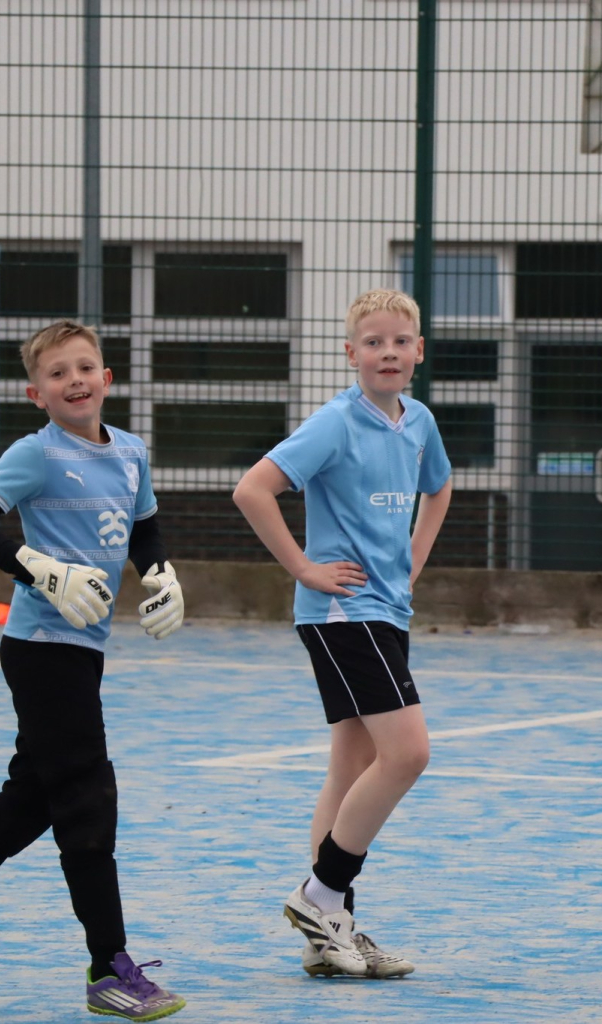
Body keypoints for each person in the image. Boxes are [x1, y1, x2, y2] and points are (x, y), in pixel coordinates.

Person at [0, 320, 187, 1020]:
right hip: (41, 648)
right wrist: (37, 568)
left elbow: (144, 529)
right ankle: (109, 967)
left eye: (86, 367)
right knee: (88, 796)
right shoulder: (36, 454)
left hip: (85, 649)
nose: (74, 379)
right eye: (57, 373)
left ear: (107, 379)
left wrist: (162, 574)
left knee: (32, 801)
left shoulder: (132, 452)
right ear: (36, 393)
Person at [232, 289, 452, 978]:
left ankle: (332, 932)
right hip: (342, 613)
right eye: (373, 341)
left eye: (399, 341)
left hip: (388, 610)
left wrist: (412, 564)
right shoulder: (334, 423)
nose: (387, 352)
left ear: (418, 350)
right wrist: (302, 567)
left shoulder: (417, 423)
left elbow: (440, 488)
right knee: (409, 754)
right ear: (350, 353)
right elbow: (252, 489)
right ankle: (320, 894)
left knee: (351, 765)